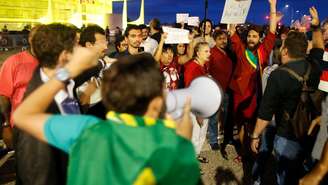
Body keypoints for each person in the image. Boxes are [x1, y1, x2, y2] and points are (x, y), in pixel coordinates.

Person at [13, 52, 200, 185]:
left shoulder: (85, 130)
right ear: (156, 104)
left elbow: (22, 115)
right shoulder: (170, 148)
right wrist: (182, 142)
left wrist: (68, 72)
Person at [251, 7, 324, 185]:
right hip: (309, 132)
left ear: (285, 51)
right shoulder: (314, 66)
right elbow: (319, 47)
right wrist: (315, 27)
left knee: (285, 177)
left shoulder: (278, 74)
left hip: (287, 134)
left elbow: (265, 113)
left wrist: (255, 136)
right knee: (303, 173)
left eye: (283, 46)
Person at [14, 23, 79, 185]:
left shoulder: (65, 81)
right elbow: (38, 173)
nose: (82, 50)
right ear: (65, 55)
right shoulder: (38, 110)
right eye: (77, 46)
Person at [228, 0, 281, 149]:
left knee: (252, 122)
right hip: (239, 92)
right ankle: (243, 151)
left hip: (255, 94)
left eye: (254, 36)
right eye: (249, 36)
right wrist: (234, 10)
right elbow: (232, 31)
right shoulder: (240, 48)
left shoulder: (263, 50)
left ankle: (253, 147)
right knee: (240, 124)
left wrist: (272, 6)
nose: (251, 38)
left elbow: (271, 31)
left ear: (259, 38)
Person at [0, 25, 40, 149]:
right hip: (22, 127)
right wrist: (6, 126)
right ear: (29, 39)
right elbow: (3, 96)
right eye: (36, 38)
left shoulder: (53, 61)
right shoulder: (13, 62)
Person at [184, 42, 211, 163]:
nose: (209, 53)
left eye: (209, 51)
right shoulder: (192, 68)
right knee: (194, 135)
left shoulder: (203, 65)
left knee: (201, 134)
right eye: (206, 51)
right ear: (198, 53)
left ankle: (196, 155)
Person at [207, 30, 234, 151]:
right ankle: (213, 139)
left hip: (228, 89)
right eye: (220, 39)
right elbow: (207, 70)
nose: (223, 41)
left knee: (228, 116)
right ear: (215, 40)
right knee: (214, 116)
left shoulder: (229, 52)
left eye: (225, 38)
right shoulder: (211, 53)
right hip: (215, 89)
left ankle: (228, 137)